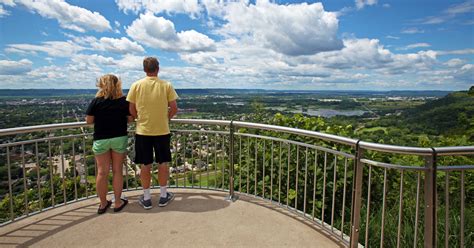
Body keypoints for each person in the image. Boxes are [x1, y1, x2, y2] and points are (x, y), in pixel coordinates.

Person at [127, 57, 178, 209]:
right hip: (162, 131)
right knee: (163, 163)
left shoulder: (136, 85)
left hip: (143, 131)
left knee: (145, 164)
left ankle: (147, 198)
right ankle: (163, 196)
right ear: (158, 68)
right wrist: (165, 118)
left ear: (144, 69)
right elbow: (174, 108)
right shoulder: (166, 85)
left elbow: (131, 109)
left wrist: (139, 118)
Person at [86, 74, 130, 214]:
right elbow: (130, 119)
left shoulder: (96, 101)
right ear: (118, 85)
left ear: (101, 85)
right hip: (119, 138)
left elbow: (88, 121)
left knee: (102, 172)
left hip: (101, 139)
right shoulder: (124, 101)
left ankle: (103, 203)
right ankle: (117, 202)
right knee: (117, 170)